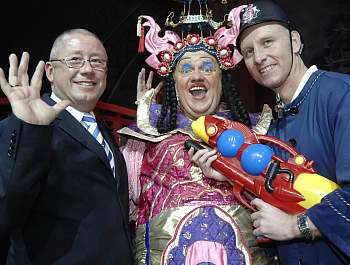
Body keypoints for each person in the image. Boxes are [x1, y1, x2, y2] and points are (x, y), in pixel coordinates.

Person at [118, 4, 278, 264]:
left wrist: (235, 176)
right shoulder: (143, 141)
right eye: (186, 69)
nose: (197, 77)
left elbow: (282, 201)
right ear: (175, 82)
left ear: (221, 78)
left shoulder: (255, 136)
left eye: (207, 67)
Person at [0, 29, 134, 265]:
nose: (87, 69)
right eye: (75, 60)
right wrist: (30, 130)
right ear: (50, 71)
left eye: (97, 61)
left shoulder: (104, 133)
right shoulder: (26, 125)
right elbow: (6, 212)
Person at [232, 1, 350, 264]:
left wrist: (295, 226)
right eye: (248, 51)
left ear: (295, 42)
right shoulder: (274, 126)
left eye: (268, 42)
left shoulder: (341, 96)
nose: (259, 57)